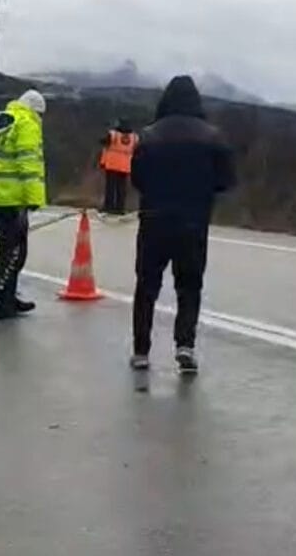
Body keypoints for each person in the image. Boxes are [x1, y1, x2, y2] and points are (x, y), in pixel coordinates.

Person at [130, 76, 235, 374]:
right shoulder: (213, 137)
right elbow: (225, 181)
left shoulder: (149, 135)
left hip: (153, 220)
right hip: (193, 222)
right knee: (189, 285)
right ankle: (184, 345)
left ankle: (141, 350)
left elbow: (137, 178)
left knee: (147, 286)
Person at [0, 89, 47, 321]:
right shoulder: (26, 124)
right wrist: (34, 198)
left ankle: (7, 298)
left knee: (15, 252)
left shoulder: (2, 120)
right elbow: (29, 164)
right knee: (12, 254)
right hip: (11, 198)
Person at [99, 119, 137, 215]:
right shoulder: (134, 137)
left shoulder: (113, 134)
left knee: (110, 187)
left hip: (112, 164)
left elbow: (104, 142)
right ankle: (120, 208)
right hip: (126, 166)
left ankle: (109, 206)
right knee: (122, 188)